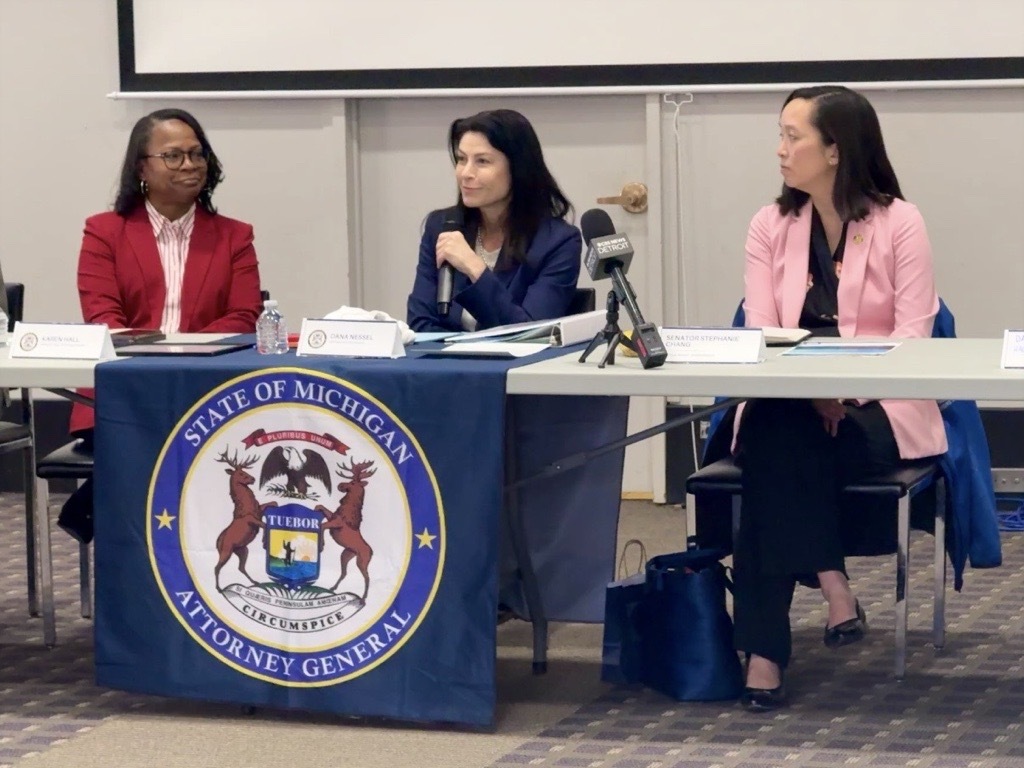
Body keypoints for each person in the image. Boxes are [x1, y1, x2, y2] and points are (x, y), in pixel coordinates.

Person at [732, 86, 947, 711]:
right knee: (781, 432)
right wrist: (809, 392)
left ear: (835, 150)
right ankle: (830, 589)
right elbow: (762, 334)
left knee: (772, 456)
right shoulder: (770, 224)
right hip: (789, 404)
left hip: (880, 410)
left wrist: (840, 392)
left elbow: (912, 340)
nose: (779, 149)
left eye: (792, 136)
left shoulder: (900, 222)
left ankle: (768, 648)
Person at [58, 108, 263, 543]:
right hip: (121, 395)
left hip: (203, 388)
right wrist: (156, 361)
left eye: (197, 154)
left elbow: (244, 317)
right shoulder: (104, 232)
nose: (190, 165)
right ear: (141, 168)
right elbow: (103, 318)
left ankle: (97, 513)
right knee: (156, 442)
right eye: (173, 156)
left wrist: (172, 355)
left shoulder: (235, 236)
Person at [406, 109, 582, 332]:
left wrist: (475, 268)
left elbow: (530, 333)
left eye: (482, 161)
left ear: (518, 168)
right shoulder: (441, 227)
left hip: (514, 367)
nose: (465, 173)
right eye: (461, 159)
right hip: (445, 365)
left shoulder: (558, 242)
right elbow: (420, 323)